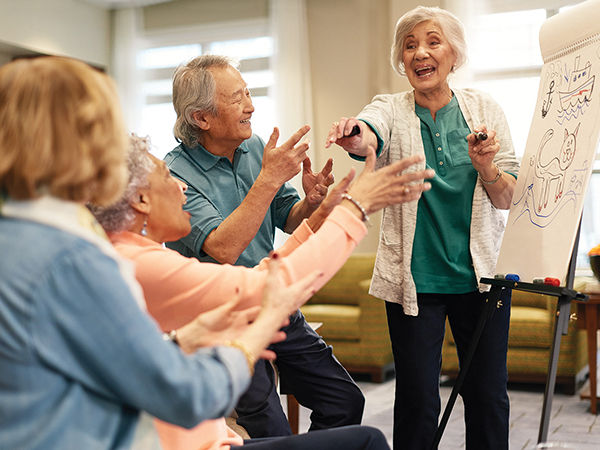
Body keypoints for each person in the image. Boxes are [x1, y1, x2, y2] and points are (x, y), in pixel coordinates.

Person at [0, 55, 387, 450]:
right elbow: (225, 258)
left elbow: (125, 364)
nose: (111, 152)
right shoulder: (83, 257)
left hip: (253, 304)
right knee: (294, 429)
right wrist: (351, 211)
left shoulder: (34, 239)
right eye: (103, 133)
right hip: (236, 304)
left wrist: (314, 206)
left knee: (342, 401)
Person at [90, 133, 433, 449]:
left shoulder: (132, 253)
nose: (181, 187)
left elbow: (263, 277)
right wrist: (354, 209)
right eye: (167, 177)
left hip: (214, 438)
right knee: (365, 441)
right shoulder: (135, 263)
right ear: (140, 199)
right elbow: (262, 288)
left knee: (346, 408)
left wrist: (318, 221)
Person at [326, 6, 521, 450]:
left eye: (433, 42)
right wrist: (354, 134)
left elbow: (508, 197)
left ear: (454, 54)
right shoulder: (391, 108)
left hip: (483, 279)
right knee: (416, 400)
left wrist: (486, 166)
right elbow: (367, 133)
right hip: (416, 282)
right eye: (410, 45)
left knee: (487, 396)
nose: (420, 53)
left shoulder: (484, 109)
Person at [164, 54, 354, 437]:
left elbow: (288, 216)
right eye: (237, 99)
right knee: (270, 427)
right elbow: (222, 248)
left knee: (344, 400)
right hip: (223, 316)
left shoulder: (252, 148)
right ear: (201, 118)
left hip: (272, 297)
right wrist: (268, 179)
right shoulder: (175, 176)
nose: (250, 106)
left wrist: (311, 201)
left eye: (248, 93)